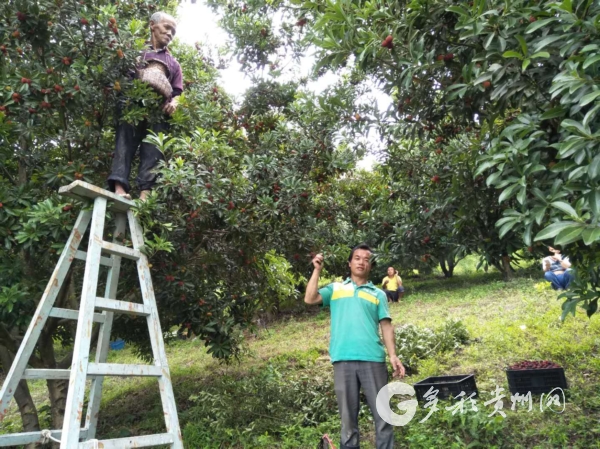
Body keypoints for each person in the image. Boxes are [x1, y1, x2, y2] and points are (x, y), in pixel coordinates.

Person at [305, 244, 405, 449]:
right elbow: (310, 298)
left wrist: (393, 355)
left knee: (383, 417)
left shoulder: (378, 294)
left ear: (370, 265)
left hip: (373, 360)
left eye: (366, 259)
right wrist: (317, 270)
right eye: (357, 258)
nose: (361, 262)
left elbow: (386, 326)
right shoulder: (336, 289)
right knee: (348, 420)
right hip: (343, 360)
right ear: (350, 263)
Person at [107, 11, 183, 201]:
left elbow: (178, 93)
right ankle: (119, 189)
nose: (169, 34)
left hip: (158, 113)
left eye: (173, 32)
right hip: (132, 107)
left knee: (153, 151)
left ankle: (145, 195)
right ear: (152, 25)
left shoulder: (173, 63)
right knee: (124, 143)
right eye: (167, 28)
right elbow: (120, 77)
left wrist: (174, 103)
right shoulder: (135, 51)